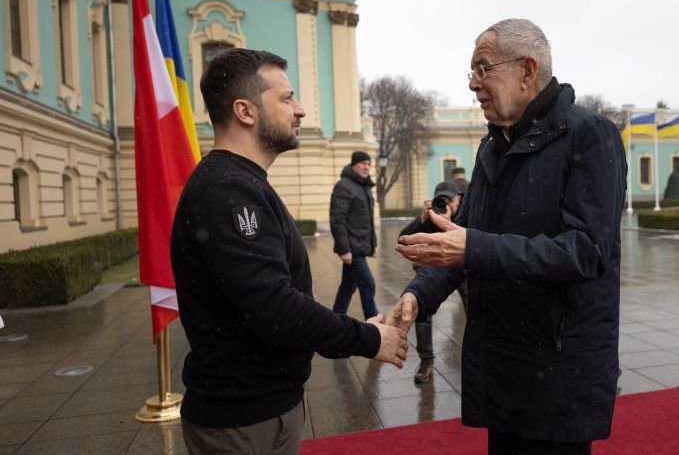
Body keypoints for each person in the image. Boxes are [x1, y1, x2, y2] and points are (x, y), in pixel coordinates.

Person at [386, 19, 627, 455]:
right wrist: (419, 294)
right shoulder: (493, 146)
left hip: (557, 367)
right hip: (502, 362)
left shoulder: (590, 135)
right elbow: (466, 240)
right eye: (471, 73)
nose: (474, 85)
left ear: (527, 69)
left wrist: (473, 247)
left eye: (482, 69)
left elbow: (587, 251)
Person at [170, 49, 407, 455]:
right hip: (240, 421)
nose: (299, 110)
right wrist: (367, 338)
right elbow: (275, 307)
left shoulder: (243, 181)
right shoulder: (228, 189)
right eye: (286, 98)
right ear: (245, 111)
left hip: (264, 406)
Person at [399, 181, 468, 384]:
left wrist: (449, 225)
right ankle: (426, 361)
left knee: (475, 306)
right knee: (421, 311)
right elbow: (402, 238)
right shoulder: (431, 214)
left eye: (448, 199)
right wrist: (422, 220)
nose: (444, 204)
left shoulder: (469, 211)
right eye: (441, 199)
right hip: (434, 272)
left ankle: (481, 355)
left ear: (458, 198)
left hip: (465, 271)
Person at [330, 151, 379, 320]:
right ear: (353, 165)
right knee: (368, 284)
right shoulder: (343, 186)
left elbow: (367, 220)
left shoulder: (364, 186)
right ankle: (374, 325)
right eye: (363, 163)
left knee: (348, 287)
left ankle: (334, 321)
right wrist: (344, 249)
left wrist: (373, 246)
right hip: (352, 247)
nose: (366, 167)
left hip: (359, 246)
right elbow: (337, 219)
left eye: (369, 163)